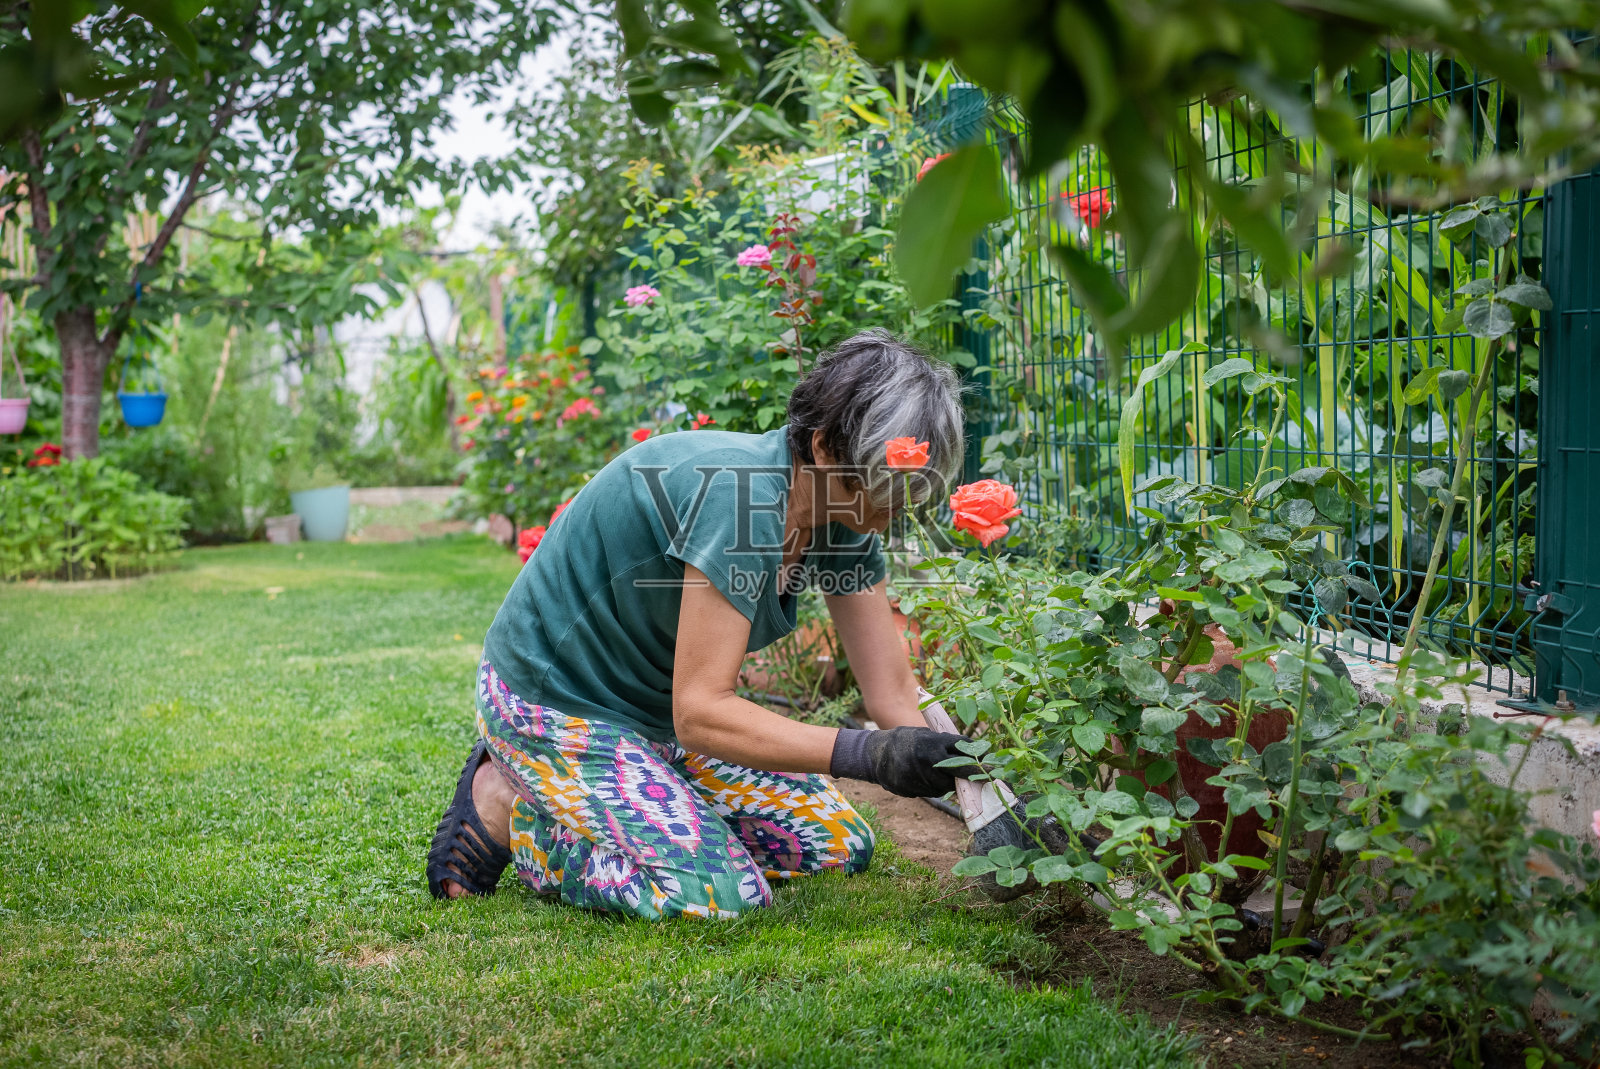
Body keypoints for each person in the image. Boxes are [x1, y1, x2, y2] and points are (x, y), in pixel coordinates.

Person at [426, 329, 973, 919]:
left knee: (838, 844)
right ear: (821, 447)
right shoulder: (740, 503)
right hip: (553, 703)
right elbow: (702, 712)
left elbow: (890, 692)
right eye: (886, 483)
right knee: (716, 892)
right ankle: (520, 810)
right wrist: (870, 754)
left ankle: (627, 803)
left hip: (649, 723)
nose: (899, 504)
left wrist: (977, 785)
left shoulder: (846, 512)